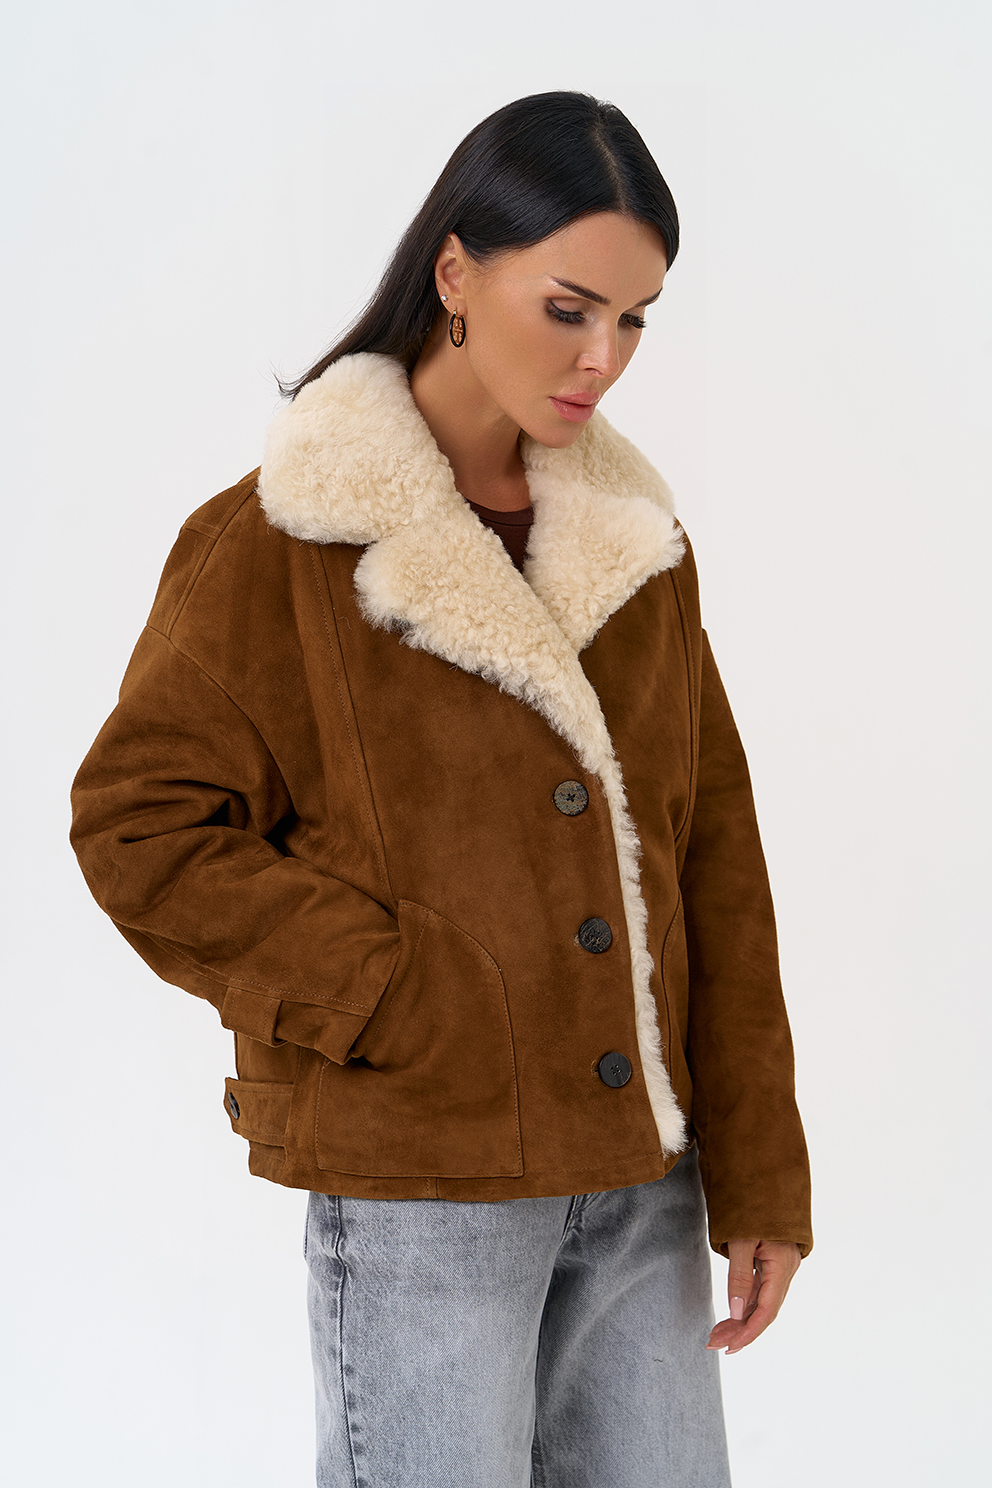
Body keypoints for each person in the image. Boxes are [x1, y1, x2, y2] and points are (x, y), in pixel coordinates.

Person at [70, 91, 812, 1487]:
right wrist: (388, 991)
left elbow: (715, 852)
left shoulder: (638, 547)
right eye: (570, 308)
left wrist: (762, 1171)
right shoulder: (278, 543)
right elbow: (140, 826)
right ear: (457, 274)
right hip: (423, 1185)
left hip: (644, 1175)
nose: (603, 358)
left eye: (636, 319)